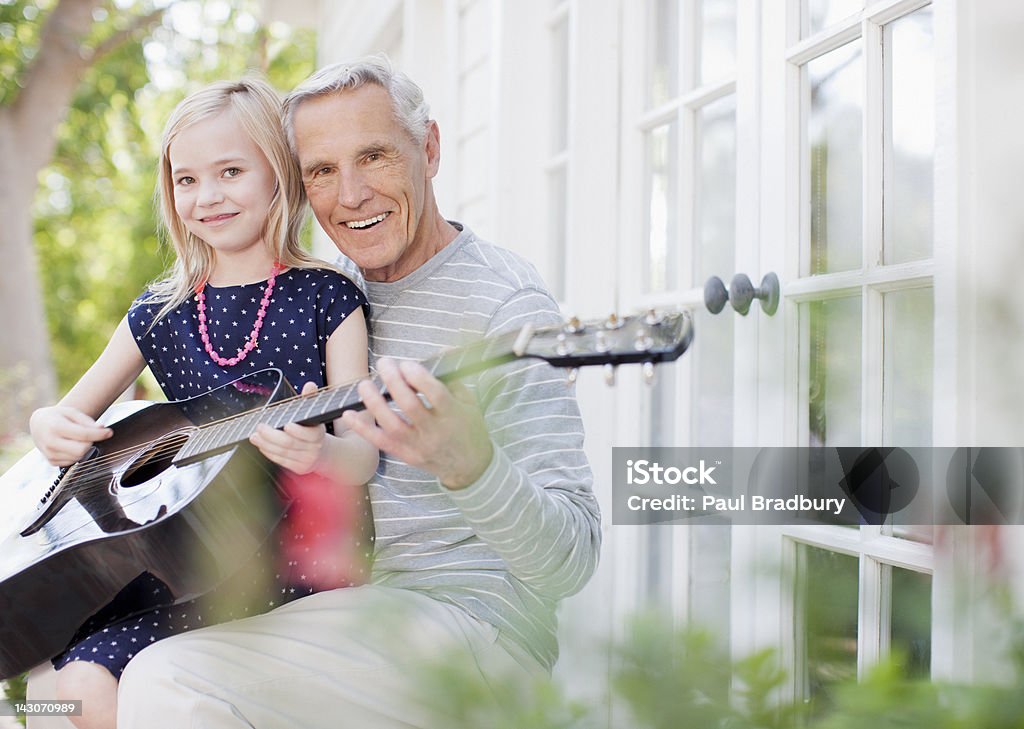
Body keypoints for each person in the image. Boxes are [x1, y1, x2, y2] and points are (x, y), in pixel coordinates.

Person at [111, 55, 602, 728]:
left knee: (169, 681)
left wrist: (469, 463)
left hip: (471, 626)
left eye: (374, 156)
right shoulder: (323, 292)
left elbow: (572, 559)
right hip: (340, 604)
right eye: (321, 170)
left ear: (428, 149)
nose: (350, 195)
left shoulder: (504, 305)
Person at [24, 78, 378, 729]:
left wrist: (323, 448)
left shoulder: (328, 297)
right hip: (174, 564)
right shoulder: (157, 312)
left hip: (288, 564)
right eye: (186, 179)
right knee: (41, 693)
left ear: (280, 174)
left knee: (78, 689)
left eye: (231, 172)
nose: (207, 195)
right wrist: (46, 423)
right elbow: (61, 416)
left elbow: (363, 455)